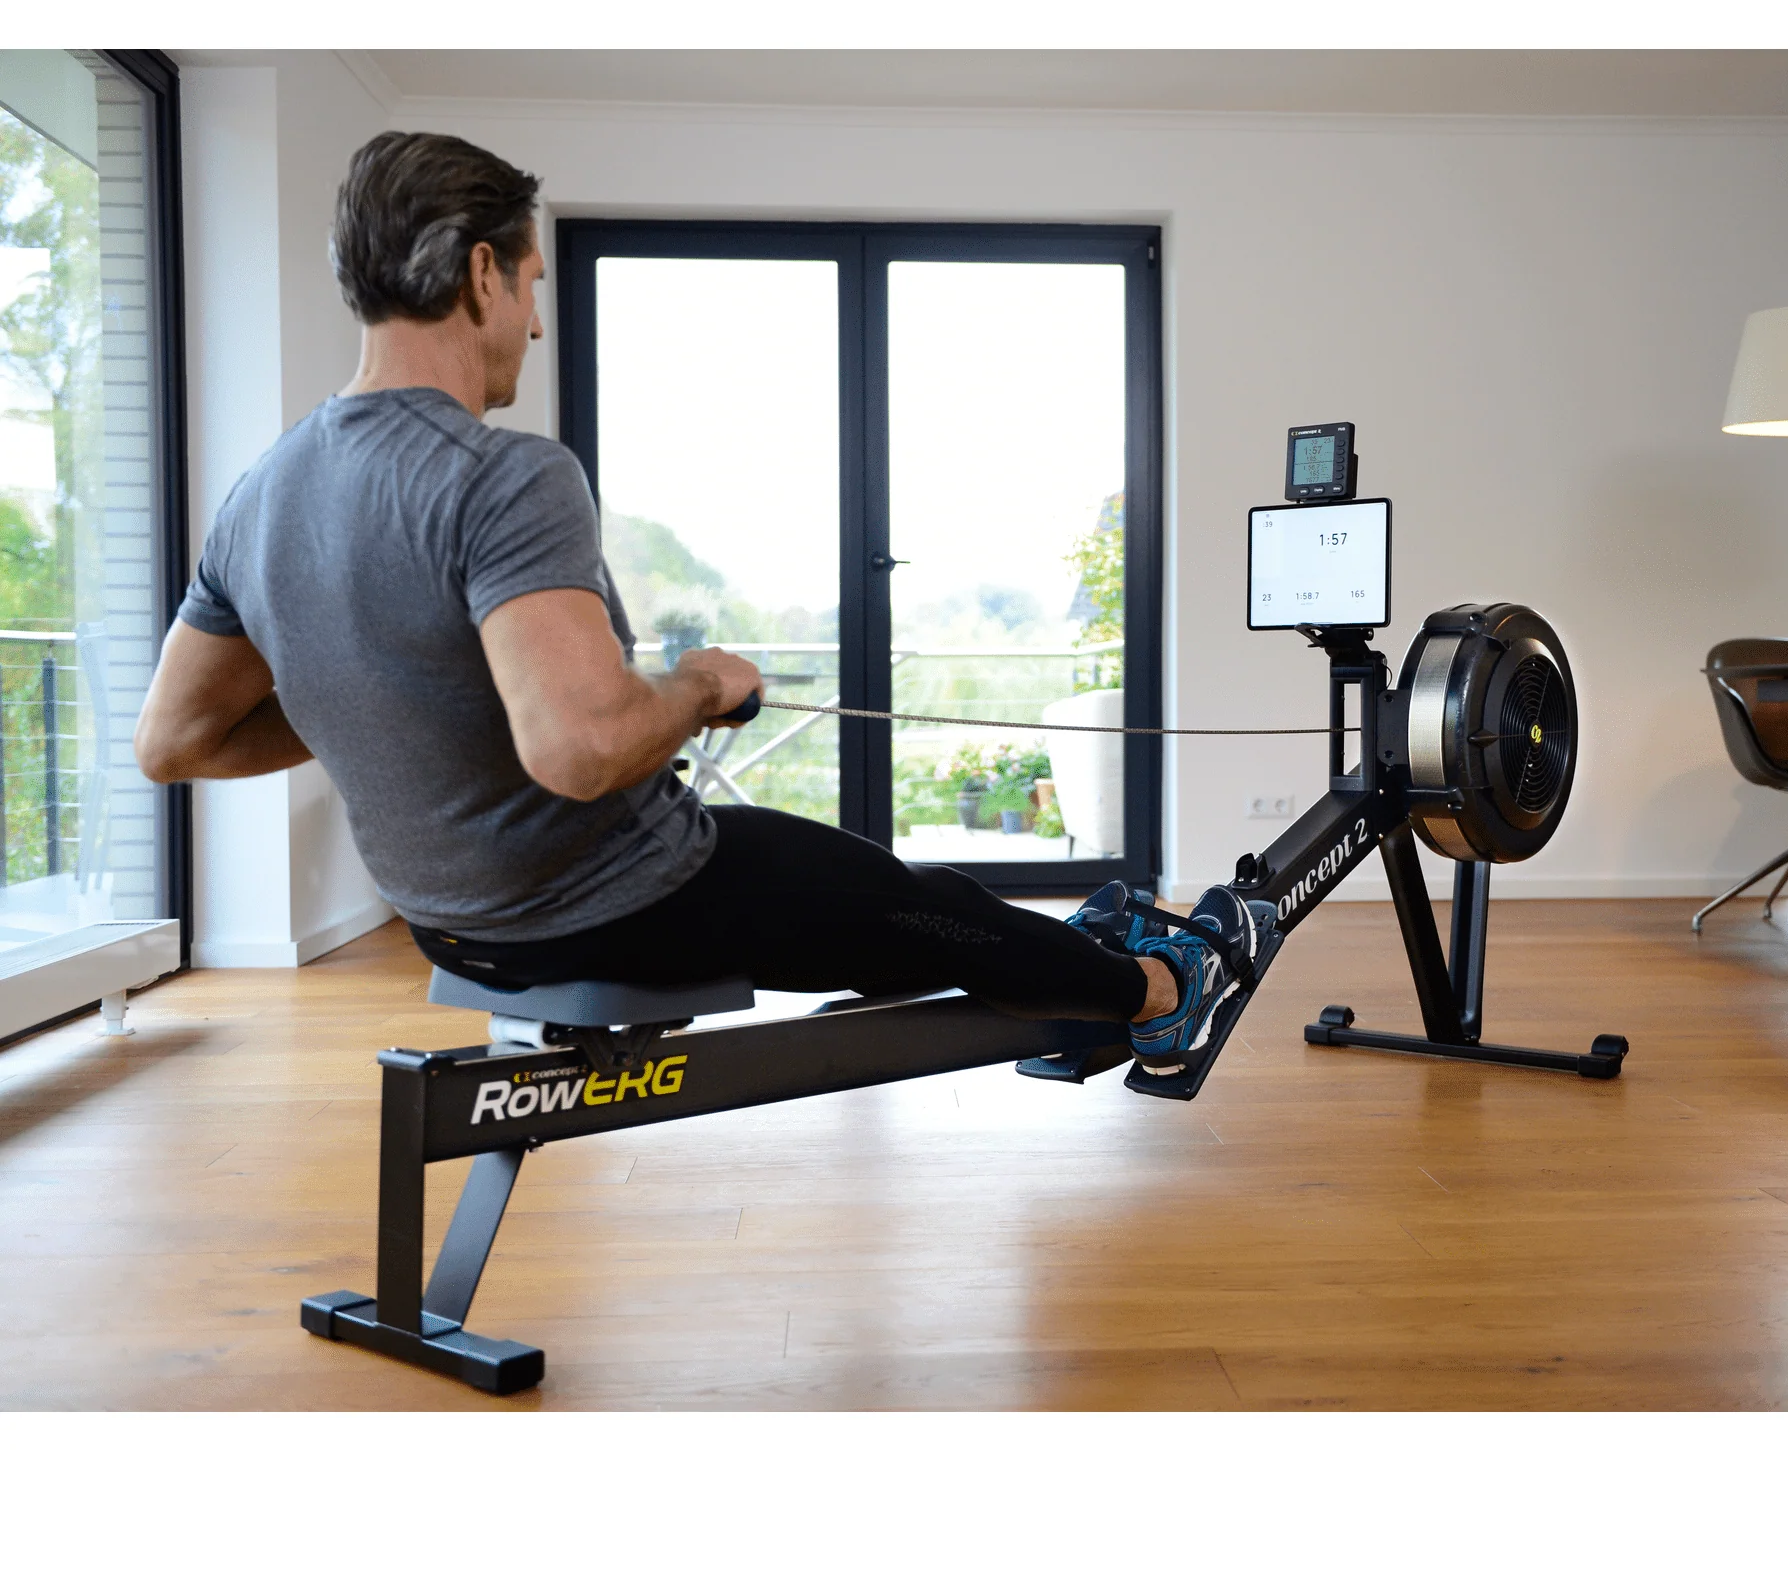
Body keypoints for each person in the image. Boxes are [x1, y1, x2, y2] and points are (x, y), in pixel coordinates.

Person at [134, 131, 1263, 1062]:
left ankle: (1081, 957)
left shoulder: (258, 496)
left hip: (455, 928)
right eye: (532, 285)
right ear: (482, 274)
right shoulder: (499, 474)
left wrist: (387, 690)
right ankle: (1162, 989)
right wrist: (698, 684)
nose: (536, 322)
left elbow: (175, 739)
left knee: (898, 890)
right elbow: (583, 749)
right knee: (936, 910)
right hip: (621, 900)